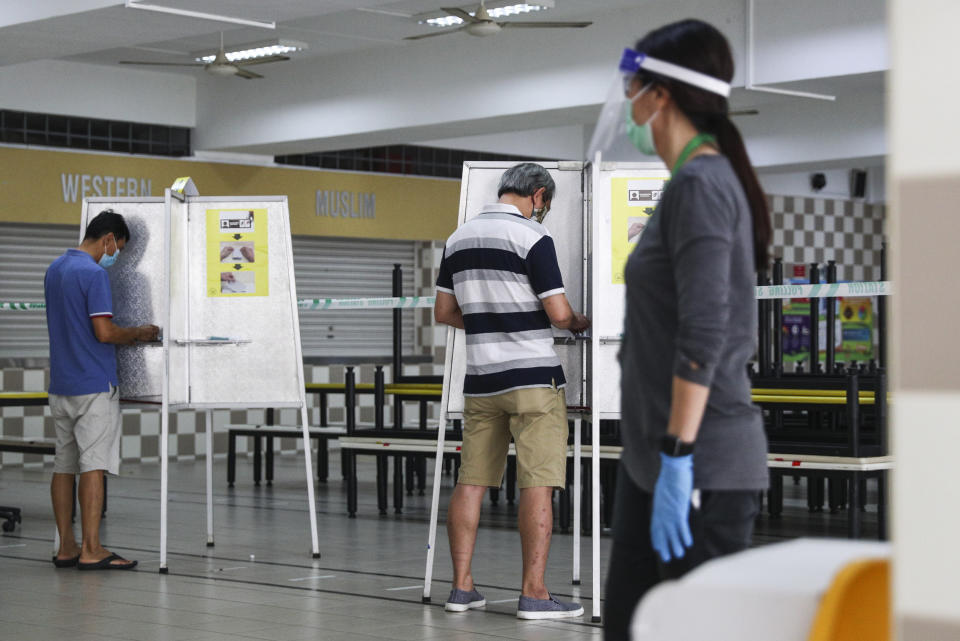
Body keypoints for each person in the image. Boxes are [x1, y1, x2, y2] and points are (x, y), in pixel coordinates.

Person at [602, 20, 772, 639]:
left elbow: (703, 336)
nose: (628, 103)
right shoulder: (689, 185)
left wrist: (678, 457)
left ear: (662, 95)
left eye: (634, 87)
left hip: (699, 465)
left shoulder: (702, 185)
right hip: (654, 461)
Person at [434, 163, 591, 620]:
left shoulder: (457, 238)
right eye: (546, 203)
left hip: (482, 380)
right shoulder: (533, 239)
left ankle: (462, 588)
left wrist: (489, 324)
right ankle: (534, 594)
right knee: (538, 483)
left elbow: (445, 311)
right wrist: (579, 322)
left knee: (471, 481)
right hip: (532, 381)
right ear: (538, 196)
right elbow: (559, 313)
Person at [45, 210, 159, 571]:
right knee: (93, 467)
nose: (117, 257)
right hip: (94, 385)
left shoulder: (54, 269)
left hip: (61, 385)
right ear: (108, 238)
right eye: (118, 249)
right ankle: (92, 549)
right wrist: (139, 332)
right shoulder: (93, 274)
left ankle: (66, 546)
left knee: (64, 467)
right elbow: (104, 333)